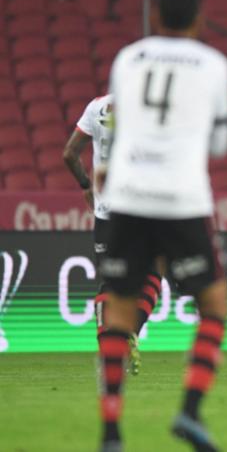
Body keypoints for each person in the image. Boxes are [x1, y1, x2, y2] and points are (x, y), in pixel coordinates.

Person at [94, 0, 227, 452]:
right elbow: (219, 145)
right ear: (199, 20)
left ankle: (111, 432)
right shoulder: (214, 65)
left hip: (127, 193)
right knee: (213, 305)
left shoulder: (127, 59)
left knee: (118, 309)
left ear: (154, 17)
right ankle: (189, 412)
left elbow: (117, 126)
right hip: (181, 197)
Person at [63, 94, 162, 376]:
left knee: (111, 283)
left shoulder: (96, 106)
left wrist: (85, 185)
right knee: (153, 274)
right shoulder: (148, 105)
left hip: (106, 213)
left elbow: (69, 154)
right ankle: (132, 331)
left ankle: (108, 351)